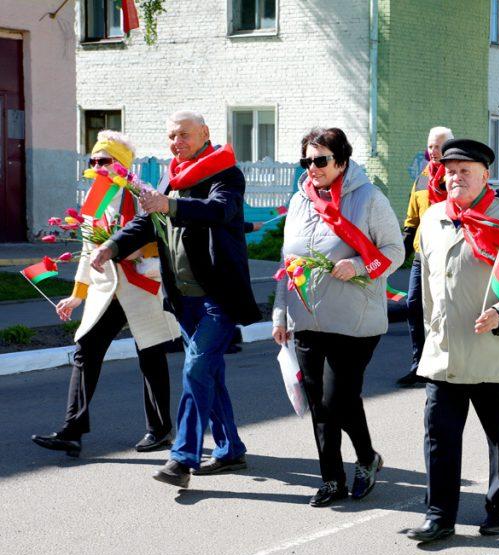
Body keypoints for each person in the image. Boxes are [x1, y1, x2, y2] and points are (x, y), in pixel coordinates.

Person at [91, 111, 261, 488]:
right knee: (209, 374)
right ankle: (231, 449)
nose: (176, 142)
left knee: (196, 369)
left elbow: (220, 211)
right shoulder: (173, 175)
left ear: (205, 134)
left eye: (184, 134)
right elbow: (150, 221)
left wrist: (170, 206)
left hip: (218, 295)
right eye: (171, 136)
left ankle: (182, 459)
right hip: (184, 298)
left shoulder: (225, 173)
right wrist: (112, 245)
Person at [402, 139, 499, 543]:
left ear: (487, 174)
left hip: (493, 350)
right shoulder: (433, 218)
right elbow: (431, 283)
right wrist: (433, 326)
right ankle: (439, 515)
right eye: (449, 170)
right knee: (439, 437)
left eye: (465, 170)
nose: (455, 176)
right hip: (445, 352)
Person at [271, 128, 403, 506]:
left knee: (337, 399)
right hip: (306, 318)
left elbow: (394, 251)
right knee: (319, 404)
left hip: (354, 321)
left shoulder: (368, 199)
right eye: (307, 161)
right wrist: (281, 314)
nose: (313, 167)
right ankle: (331, 479)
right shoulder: (299, 201)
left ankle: (366, 459)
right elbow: (287, 262)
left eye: (321, 160)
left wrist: (359, 266)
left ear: (341, 161)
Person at [31, 131, 179, 458]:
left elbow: (161, 236)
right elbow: (87, 249)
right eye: (93, 160)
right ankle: (72, 431)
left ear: (122, 165)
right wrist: (76, 295)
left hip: (141, 287)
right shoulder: (95, 197)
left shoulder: (142, 194)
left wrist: (144, 257)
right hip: (106, 290)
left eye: (105, 160)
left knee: (150, 354)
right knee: (87, 349)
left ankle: (160, 430)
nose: (97, 166)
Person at [398, 126, 453, 387]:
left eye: (439, 146)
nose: (433, 151)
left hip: (450, 256)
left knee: (444, 310)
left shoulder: (455, 177)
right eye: (430, 146)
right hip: (423, 255)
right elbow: (411, 221)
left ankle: (445, 362)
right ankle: (418, 364)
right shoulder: (421, 179)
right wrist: (398, 253)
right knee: (413, 306)